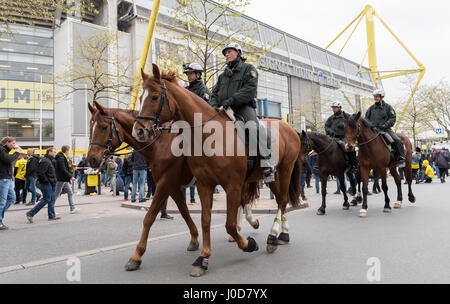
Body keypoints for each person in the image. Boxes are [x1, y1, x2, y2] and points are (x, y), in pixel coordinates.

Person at [209, 42, 275, 183]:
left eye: (229, 51)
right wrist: (213, 106)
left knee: (256, 128)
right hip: (224, 109)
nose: (226, 54)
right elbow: (214, 93)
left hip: (243, 108)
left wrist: (231, 100)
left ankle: (267, 165)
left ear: (238, 52)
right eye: (225, 52)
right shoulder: (222, 76)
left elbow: (249, 90)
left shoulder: (248, 69)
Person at [365, 89, 405, 168]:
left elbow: (393, 118)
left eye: (377, 96)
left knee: (397, 140)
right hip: (374, 131)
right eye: (374, 96)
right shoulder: (370, 109)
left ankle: (401, 158)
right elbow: (366, 119)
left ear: (381, 97)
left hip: (385, 130)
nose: (375, 98)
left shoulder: (388, 107)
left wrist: (385, 125)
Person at [26, 147, 60, 223]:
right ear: (49, 152)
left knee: (52, 199)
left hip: (51, 183)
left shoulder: (49, 160)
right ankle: (31, 213)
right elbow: (41, 173)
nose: (55, 153)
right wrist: (46, 181)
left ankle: (52, 215)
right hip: (47, 183)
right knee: (46, 199)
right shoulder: (45, 161)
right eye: (54, 152)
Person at [0, 137, 22, 230]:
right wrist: (17, 152)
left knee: (12, 198)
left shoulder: (5, 150)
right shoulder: (1, 150)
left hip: (7, 178)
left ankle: (0, 216)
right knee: (2, 201)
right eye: (12, 143)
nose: (14, 145)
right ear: (6, 143)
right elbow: (8, 160)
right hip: (3, 178)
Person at [54, 145, 79, 214]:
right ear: (66, 151)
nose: (69, 152)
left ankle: (72, 207)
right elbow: (63, 169)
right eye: (69, 151)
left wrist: (71, 168)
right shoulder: (61, 158)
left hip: (64, 179)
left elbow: (65, 168)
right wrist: (71, 176)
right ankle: (51, 209)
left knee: (70, 192)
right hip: (61, 179)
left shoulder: (64, 157)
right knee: (56, 194)